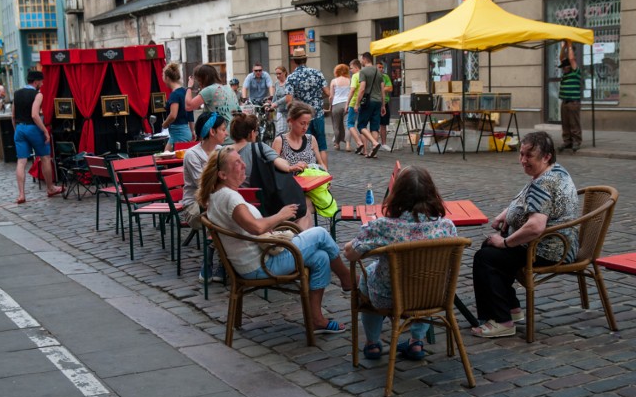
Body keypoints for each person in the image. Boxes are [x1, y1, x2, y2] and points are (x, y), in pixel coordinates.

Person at [196, 147, 352, 334]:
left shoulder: (219, 195)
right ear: (222, 174)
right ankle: (347, 278)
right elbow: (256, 227)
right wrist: (281, 215)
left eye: (241, 160)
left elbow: (252, 228)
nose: (244, 164)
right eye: (237, 163)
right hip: (260, 265)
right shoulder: (230, 198)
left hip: (256, 259)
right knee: (319, 233)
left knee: (320, 258)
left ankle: (317, 320)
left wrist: (270, 226)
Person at [471, 131, 579, 338]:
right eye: (521, 154)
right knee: (489, 248)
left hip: (549, 247)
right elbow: (524, 200)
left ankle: (502, 322)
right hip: (560, 242)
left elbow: (535, 227)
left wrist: (505, 243)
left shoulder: (543, 183)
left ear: (546, 156)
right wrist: (506, 214)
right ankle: (510, 307)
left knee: (485, 258)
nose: (522, 160)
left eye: (529, 156)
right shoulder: (554, 171)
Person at [344, 166, 457, 360]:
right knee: (427, 278)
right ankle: (416, 341)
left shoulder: (384, 226)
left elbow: (351, 254)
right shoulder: (446, 226)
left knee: (366, 277)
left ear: (397, 194)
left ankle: (372, 343)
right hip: (433, 296)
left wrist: (356, 242)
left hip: (388, 297)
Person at [12, 71, 63, 204]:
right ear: (36, 82)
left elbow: (13, 116)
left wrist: (16, 129)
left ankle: (21, 194)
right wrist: (45, 131)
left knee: (21, 161)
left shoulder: (17, 93)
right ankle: (50, 188)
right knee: (45, 157)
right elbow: (35, 115)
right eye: (41, 81)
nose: (42, 84)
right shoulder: (38, 94)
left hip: (19, 128)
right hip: (33, 128)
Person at [284, 47, 330, 169]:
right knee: (322, 146)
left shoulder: (291, 77)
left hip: (301, 117)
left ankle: (308, 176)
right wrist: (318, 98)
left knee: (305, 146)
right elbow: (327, 92)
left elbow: (289, 100)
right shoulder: (317, 73)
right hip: (318, 114)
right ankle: (325, 175)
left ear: (294, 61)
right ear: (306, 59)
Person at [230, 112, 305, 187]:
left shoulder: (222, 150)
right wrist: (289, 167)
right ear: (252, 133)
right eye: (256, 132)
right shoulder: (259, 147)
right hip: (254, 197)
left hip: (228, 195)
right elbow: (277, 161)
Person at [181, 112, 227, 231]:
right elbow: (203, 185)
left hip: (217, 201)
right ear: (212, 132)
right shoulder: (192, 155)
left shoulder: (220, 150)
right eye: (222, 129)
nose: (226, 133)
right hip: (195, 206)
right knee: (229, 216)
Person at [185, 64, 239, 144]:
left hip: (220, 139)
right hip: (234, 136)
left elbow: (188, 106)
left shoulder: (209, 90)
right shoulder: (229, 89)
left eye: (198, 80)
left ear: (203, 78)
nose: (199, 83)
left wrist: (189, 87)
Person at [272, 101, 326, 171]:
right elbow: (273, 165)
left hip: (311, 180)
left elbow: (321, 163)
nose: (305, 128)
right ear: (291, 121)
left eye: (308, 123)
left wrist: (325, 174)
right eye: (302, 123)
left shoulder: (311, 139)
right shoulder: (280, 141)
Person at [354, 52, 384, 158]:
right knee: (374, 127)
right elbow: (382, 90)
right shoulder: (379, 71)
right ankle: (372, 151)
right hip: (378, 101)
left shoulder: (363, 71)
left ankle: (374, 144)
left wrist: (357, 103)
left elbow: (362, 88)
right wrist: (383, 105)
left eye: (361, 59)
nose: (361, 61)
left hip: (368, 102)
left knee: (361, 125)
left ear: (365, 59)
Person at [161, 63, 195, 152]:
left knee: (170, 159)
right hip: (184, 130)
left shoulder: (174, 94)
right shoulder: (185, 92)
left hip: (178, 132)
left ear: (167, 78)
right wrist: (192, 131)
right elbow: (190, 112)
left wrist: (165, 124)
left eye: (163, 76)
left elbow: (173, 115)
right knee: (167, 156)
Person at [557, 40, 582, 152]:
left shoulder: (575, 72)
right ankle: (567, 141)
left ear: (569, 67)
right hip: (565, 101)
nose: (563, 68)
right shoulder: (565, 74)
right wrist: (564, 47)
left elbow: (571, 59)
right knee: (565, 123)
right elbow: (561, 57)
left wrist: (570, 44)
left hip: (573, 102)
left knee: (574, 123)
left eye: (565, 67)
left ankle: (576, 141)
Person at [345, 59, 366, 155]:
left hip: (354, 103)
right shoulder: (364, 75)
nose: (350, 70)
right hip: (363, 103)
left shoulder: (355, 76)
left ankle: (359, 142)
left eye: (351, 68)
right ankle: (364, 149)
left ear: (357, 67)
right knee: (362, 126)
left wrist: (347, 103)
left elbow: (352, 90)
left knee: (350, 124)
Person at [329, 64, 351, 151]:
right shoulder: (350, 80)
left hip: (336, 104)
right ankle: (348, 145)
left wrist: (330, 105)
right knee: (347, 125)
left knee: (336, 126)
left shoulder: (334, 81)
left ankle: (337, 144)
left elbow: (331, 96)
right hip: (347, 104)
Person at [376, 61, 393, 151]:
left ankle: (384, 143)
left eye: (382, 67)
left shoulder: (385, 77)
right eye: (379, 67)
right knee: (375, 124)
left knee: (383, 124)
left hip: (385, 102)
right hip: (375, 102)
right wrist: (383, 89)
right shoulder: (373, 77)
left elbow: (390, 88)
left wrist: (380, 89)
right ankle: (375, 143)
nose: (381, 69)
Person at [268, 66, 289, 136]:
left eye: (279, 73)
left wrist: (276, 103)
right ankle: (280, 146)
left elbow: (287, 97)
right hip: (280, 111)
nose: (278, 75)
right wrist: (271, 105)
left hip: (289, 110)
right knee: (280, 132)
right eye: (276, 74)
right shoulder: (277, 83)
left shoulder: (288, 83)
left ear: (285, 73)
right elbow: (275, 96)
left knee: (289, 132)